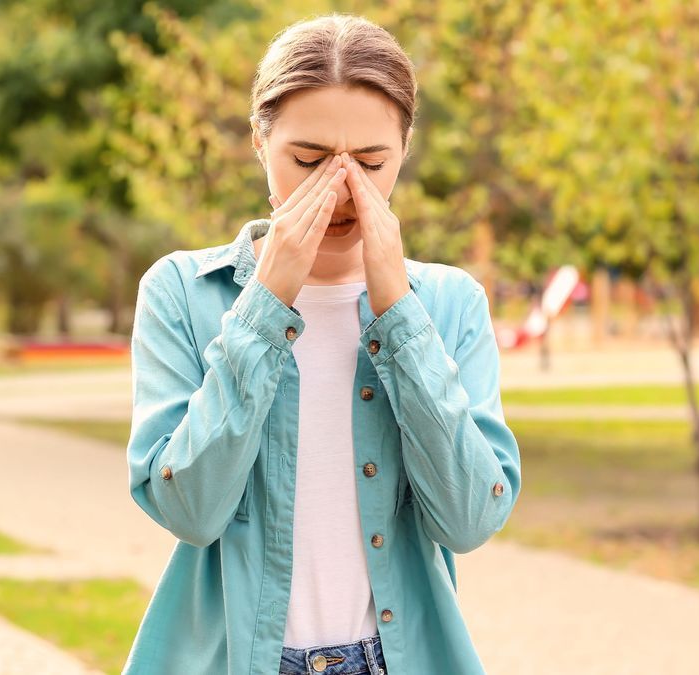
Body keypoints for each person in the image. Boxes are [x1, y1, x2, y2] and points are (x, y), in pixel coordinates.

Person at [121, 13, 521, 675]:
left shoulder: (450, 304)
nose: (339, 189)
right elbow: (189, 508)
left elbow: (471, 518)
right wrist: (264, 308)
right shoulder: (180, 292)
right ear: (259, 139)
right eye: (307, 160)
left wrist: (400, 316)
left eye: (370, 162)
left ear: (406, 148)